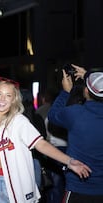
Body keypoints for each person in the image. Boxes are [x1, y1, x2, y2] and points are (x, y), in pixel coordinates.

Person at [0, 76, 91, 203]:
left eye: (8, 95)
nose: (2, 98)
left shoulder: (18, 121)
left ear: (14, 100)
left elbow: (40, 143)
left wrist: (69, 161)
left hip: (14, 183)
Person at [48, 65, 103, 203]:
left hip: (79, 189)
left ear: (85, 91)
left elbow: (53, 115)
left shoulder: (76, 113)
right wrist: (88, 76)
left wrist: (66, 92)